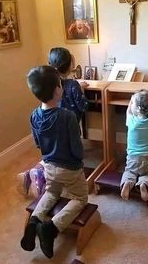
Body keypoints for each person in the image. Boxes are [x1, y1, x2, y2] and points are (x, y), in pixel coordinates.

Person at [20, 66, 88, 259]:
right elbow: (76, 148)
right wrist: (79, 161)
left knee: (51, 192)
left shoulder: (33, 115)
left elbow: (36, 143)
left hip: (49, 165)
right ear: (58, 89)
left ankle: (34, 221)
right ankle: (51, 228)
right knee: (80, 198)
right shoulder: (68, 116)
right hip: (70, 168)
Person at [17, 47, 89, 197]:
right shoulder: (72, 85)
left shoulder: (47, 86)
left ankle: (31, 172)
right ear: (70, 66)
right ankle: (38, 173)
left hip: (51, 126)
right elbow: (83, 106)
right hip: (68, 125)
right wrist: (80, 91)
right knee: (65, 154)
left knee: (54, 154)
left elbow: (38, 143)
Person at [120, 90, 148, 202]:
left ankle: (127, 183)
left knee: (129, 172)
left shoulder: (131, 121)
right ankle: (143, 184)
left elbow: (129, 111)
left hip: (132, 157)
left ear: (137, 108)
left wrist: (131, 100)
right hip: (147, 157)